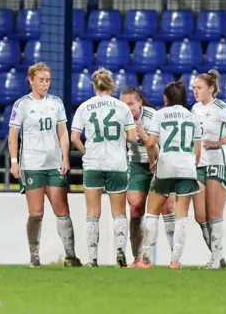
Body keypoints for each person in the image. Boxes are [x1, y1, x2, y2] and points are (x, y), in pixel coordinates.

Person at [8, 62, 82, 268]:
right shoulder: (22, 105)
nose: (45, 84)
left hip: (54, 164)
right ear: (31, 80)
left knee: (62, 210)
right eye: (41, 80)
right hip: (31, 164)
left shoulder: (56, 103)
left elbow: (63, 133)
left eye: (48, 80)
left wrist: (65, 157)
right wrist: (14, 162)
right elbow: (13, 136)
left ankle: (71, 255)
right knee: (36, 212)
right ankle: (34, 257)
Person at [71, 68, 138, 268]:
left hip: (93, 163)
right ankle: (120, 252)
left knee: (92, 212)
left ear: (94, 85)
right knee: (119, 211)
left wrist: (86, 152)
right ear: (112, 85)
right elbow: (133, 137)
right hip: (117, 163)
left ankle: (92, 259)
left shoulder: (84, 107)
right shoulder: (122, 107)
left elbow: (74, 137)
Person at [138, 81, 202, 269]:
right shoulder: (193, 117)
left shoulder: (159, 115)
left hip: (165, 166)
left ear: (166, 98)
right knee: (181, 216)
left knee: (152, 213)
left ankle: (146, 258)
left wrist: (152, 162)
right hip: (187, 168)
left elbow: (151, 143)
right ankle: (175, 261)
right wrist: (192, 166)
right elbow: (197, 151)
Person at [191, 70, 226, 269]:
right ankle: (218, 254)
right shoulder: (194, 109)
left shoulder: (221, 107)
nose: (195, 91)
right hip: (199, 164)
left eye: (199, 88)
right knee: (200, 215)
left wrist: (221, 141)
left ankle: (215, 259)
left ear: (211, 89)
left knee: (214, 212)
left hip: (218, 162)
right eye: (194, 88)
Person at [119, 87, 176, 268]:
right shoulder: (119, 117)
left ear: (140, 102)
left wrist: (145, 137)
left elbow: (163, 145)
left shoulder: (154, 117)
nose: (128, 109)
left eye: (131, 104)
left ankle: (175, 258)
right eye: (124, 105)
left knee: (167, 207)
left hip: (158, 163)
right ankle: (138, 258)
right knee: (135, 206)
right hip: (135, 165)